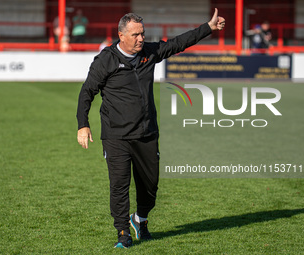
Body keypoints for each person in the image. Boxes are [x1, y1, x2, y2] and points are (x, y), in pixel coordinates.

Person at [76, 9, 225, 249]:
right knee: (119, 186)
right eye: (135, 35)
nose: (140, 39)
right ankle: (123, 232)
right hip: (116, 136)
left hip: (146, 133)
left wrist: (207, 27)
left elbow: (178, 43)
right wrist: (83, 125)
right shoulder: (106, 60)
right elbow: (87, 92)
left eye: (142, 34)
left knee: (150, 186)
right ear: (121, 35)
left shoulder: (149, 53)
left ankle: (140, 219)